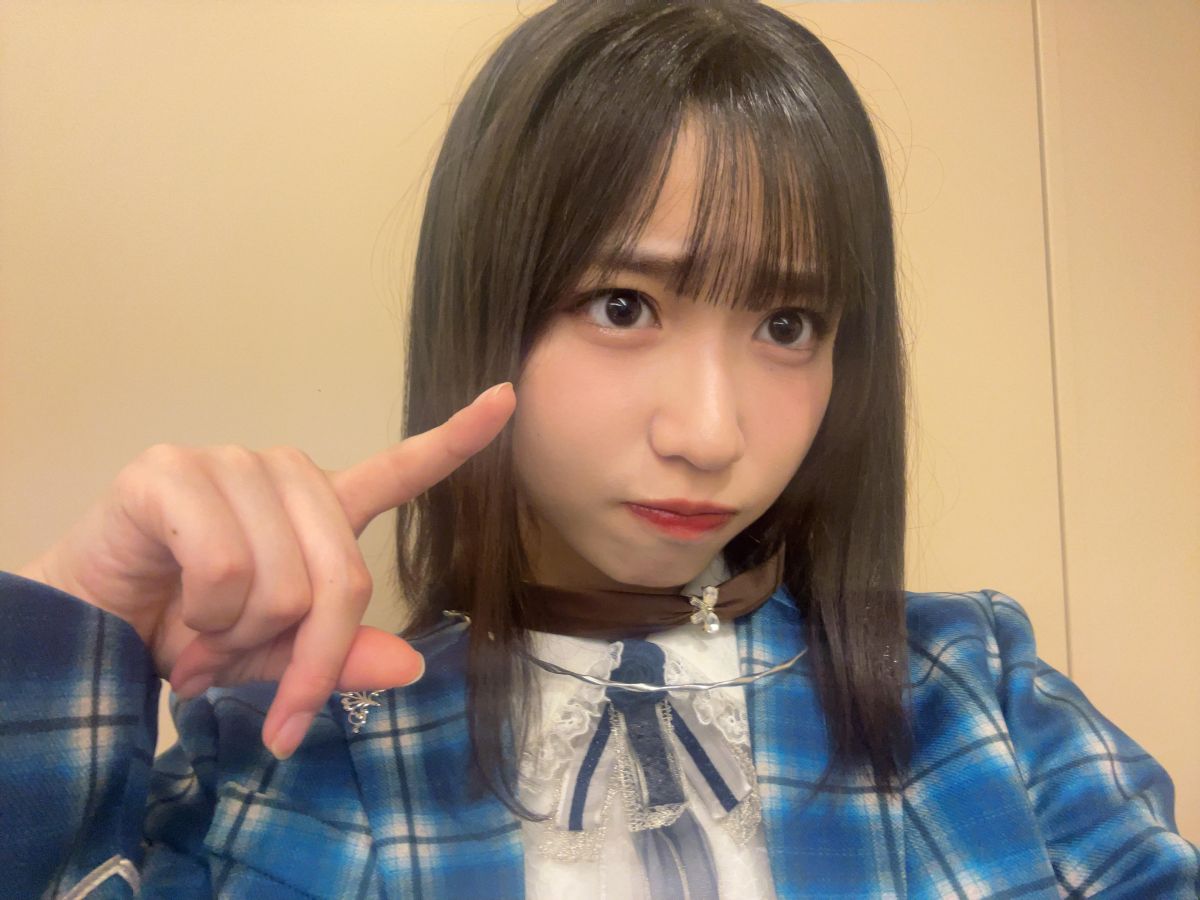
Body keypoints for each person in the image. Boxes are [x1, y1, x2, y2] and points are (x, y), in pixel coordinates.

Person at [3, 1, 1197, 897]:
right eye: (623, 305)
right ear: (486, 312)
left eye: (789, 324)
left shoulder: (974, 696)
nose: (710, 435)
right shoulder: (307, 747)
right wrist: (78, 634)